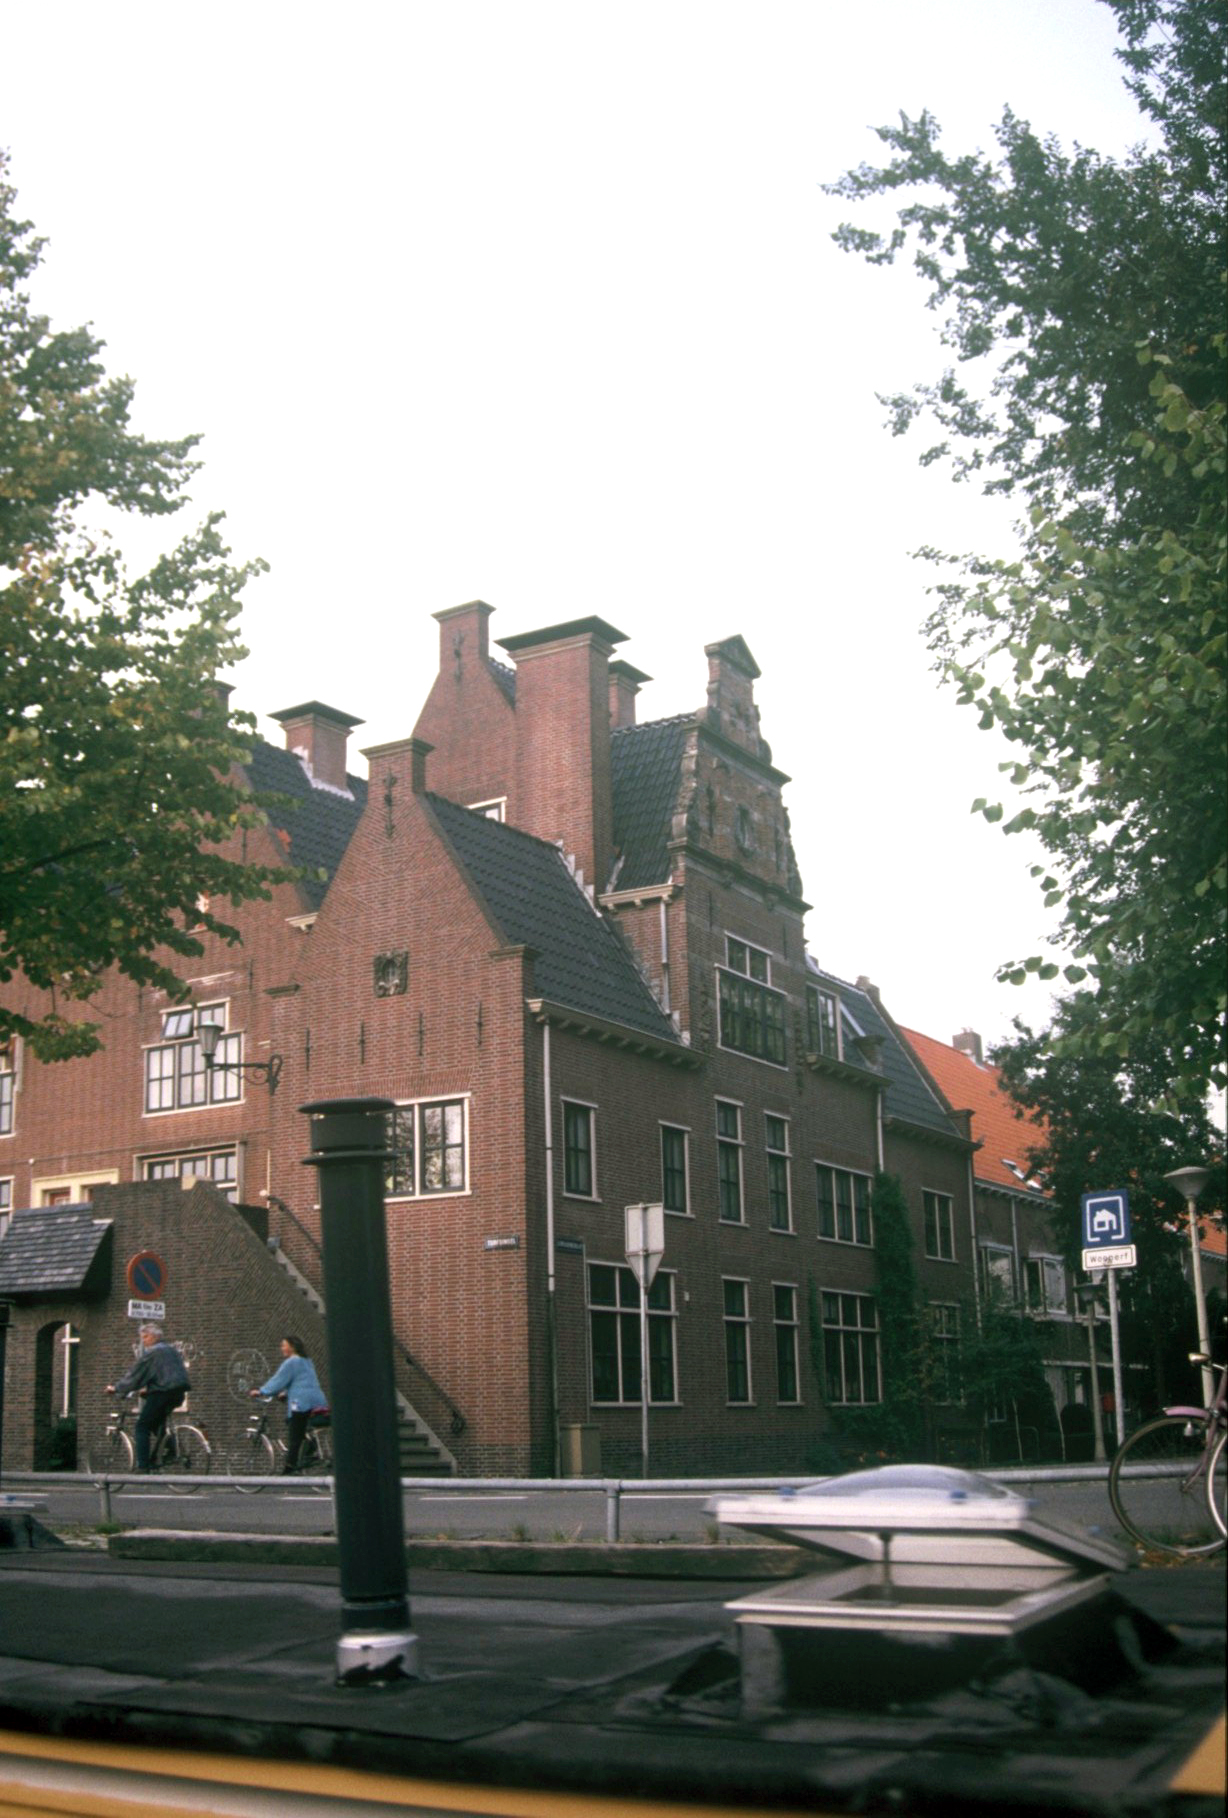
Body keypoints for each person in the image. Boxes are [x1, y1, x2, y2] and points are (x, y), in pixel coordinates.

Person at [107, 1324, 191, 1471]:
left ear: (154, 1336)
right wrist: (147, 1390)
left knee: (142, 1427)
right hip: (178, 1393)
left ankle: (143, 1466)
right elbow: (167, 1375)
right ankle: (170, 1450)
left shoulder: (152, 1352)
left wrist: (117, 1388)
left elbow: (135, 1376)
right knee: (156, 1423)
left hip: (162, 1393)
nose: (143, 1341)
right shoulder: (172, 1350)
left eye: (145, 1337)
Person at [252, 1336, 328, 1473]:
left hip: (302, 1402)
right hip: (317, 1400)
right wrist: (286, 1393)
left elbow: (278, 1380)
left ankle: (290, 1468)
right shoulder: (307, 1361)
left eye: (284, 1345)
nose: (282, 1348)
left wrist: (261, 1391)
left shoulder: (291, 1362)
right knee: (299, 1426)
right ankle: (309, 1449)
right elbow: (303, 1381)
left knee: (294, 1434)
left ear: (292, 1347)